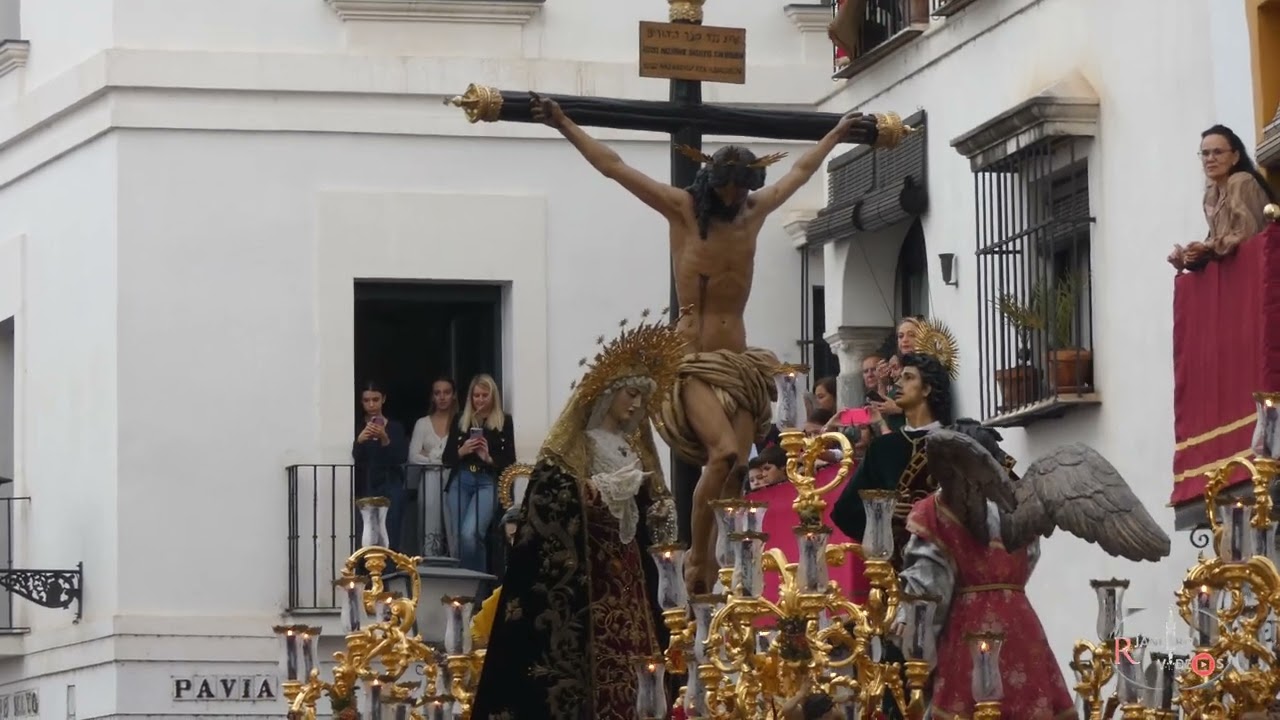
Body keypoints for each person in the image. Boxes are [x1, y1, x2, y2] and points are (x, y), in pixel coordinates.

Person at [529, 92, 885, 594]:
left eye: (745, 188)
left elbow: (800, 173)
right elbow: (615, 167)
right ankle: (697, 561)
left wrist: (832, 136)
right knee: (720, 456)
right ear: (712, 183)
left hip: (737, 361)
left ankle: (734, 570)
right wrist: (564, 123)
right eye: (732, 188)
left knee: (740, 469)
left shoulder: (754, 213)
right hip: (692, 361)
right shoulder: (681, 211)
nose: (739, 196)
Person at [470, 313, 682, 720]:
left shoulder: (634, 448)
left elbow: (655, 512)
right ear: (607, 393)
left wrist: (657, 507)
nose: (637, 404)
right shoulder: (576, 448)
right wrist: (601, 493)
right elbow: (548, 505)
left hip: (631, 578)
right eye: (630, 393)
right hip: (590, 579)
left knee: (642, 660)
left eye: (642, 395)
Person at [1168, 124, 1277, 272]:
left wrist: (1207, 247)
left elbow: (1246, 235)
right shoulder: (1211, 195)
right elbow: (1218, 246)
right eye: (1205, 154)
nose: (1210, 159)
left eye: (1217, 152)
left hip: (1258, 270)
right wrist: (1187, 258)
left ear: (1235, 157)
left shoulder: (1241, 180)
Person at [442, 374, 515, 574]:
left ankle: (476, 588)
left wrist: (489, 458)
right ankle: (466, 591)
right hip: (461, 480)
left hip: (487, 481)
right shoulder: (461, 419)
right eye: (476, 396)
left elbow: (510, 460)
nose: (480, 400)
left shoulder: (503, 421)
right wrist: (462, 450)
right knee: (460, 538)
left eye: (485, 395)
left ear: (493, 396)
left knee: (471, 533)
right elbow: (446, 458)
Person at [352, 381, 408, 552]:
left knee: (390, 532)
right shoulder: (357, 427)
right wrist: (359, 441)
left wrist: (384, 438)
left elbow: (400, 457)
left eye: (375, 399)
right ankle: (368, 573)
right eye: (366, 400)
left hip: (391, 484)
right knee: (367, 533)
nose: (371, 405)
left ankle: (390, 574)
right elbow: (357, 457)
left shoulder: (395, 428)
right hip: (366, 484)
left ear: (383, 399)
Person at [408, 377, 457, 557]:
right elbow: (413, 456)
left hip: (454, 479)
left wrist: (429, 455)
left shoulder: (460, 422)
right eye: (438, 393)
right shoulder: (422, 423)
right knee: (429, 524)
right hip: (429, 480)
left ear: (453, 396)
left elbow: (462, 454)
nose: (442, 397)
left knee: (454, 523)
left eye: (447, 392)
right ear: (432, 397)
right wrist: (443, 459)